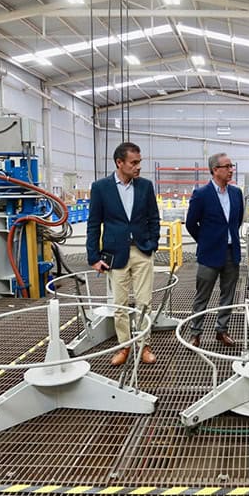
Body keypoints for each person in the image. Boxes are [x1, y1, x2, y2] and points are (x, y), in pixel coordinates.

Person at [87, 142, 160, 365]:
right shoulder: (101, 188)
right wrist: (94, 257)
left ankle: (144, 345)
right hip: (115, 254)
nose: (138, 167)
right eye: (134, 163)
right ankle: (124, 346)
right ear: (120, 163)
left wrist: (153, 242)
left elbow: (154, 218)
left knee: (144, 302)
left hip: (142, 251)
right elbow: (93, 224)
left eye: (139, 163)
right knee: (119, 305)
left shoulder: (145, 186)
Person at [185, 153, 244, 347]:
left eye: (231, 166)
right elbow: (191, 223)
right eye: (227, 166)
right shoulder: (201, 194)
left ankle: (222, 331)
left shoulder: (236, 193)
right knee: (202, 295)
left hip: (231, 252)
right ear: (215, 170)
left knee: (228, 294)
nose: (231, 170)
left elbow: (237, 220)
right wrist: (205, 241)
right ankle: (195, 333)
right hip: (209, 254)